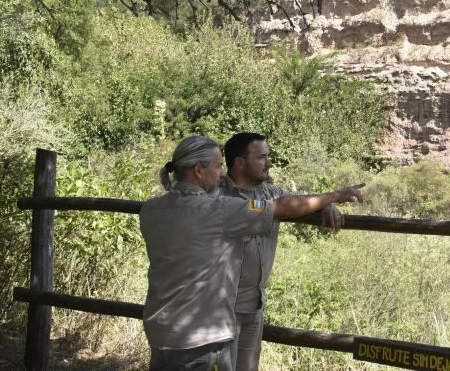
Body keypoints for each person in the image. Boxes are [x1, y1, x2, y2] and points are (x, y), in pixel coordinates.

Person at [140, 135, 363, 371]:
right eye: (217, 167)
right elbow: (281, 207)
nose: (221, 173)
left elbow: (286, 200)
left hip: (162, 330)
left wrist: (323, 202)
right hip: (202, 336)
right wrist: (335, 195)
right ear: (198, 170)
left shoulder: (151, 209)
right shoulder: (218, 208)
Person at [218, 132, 346, 371]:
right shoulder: (217, 195)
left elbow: (299, 202)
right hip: (221, 307)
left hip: (254, 305)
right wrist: (336, 195)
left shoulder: (268, 193)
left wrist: (327, 203)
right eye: (262, 157)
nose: (269, 162)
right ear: (240, 162)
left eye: (269, 156)